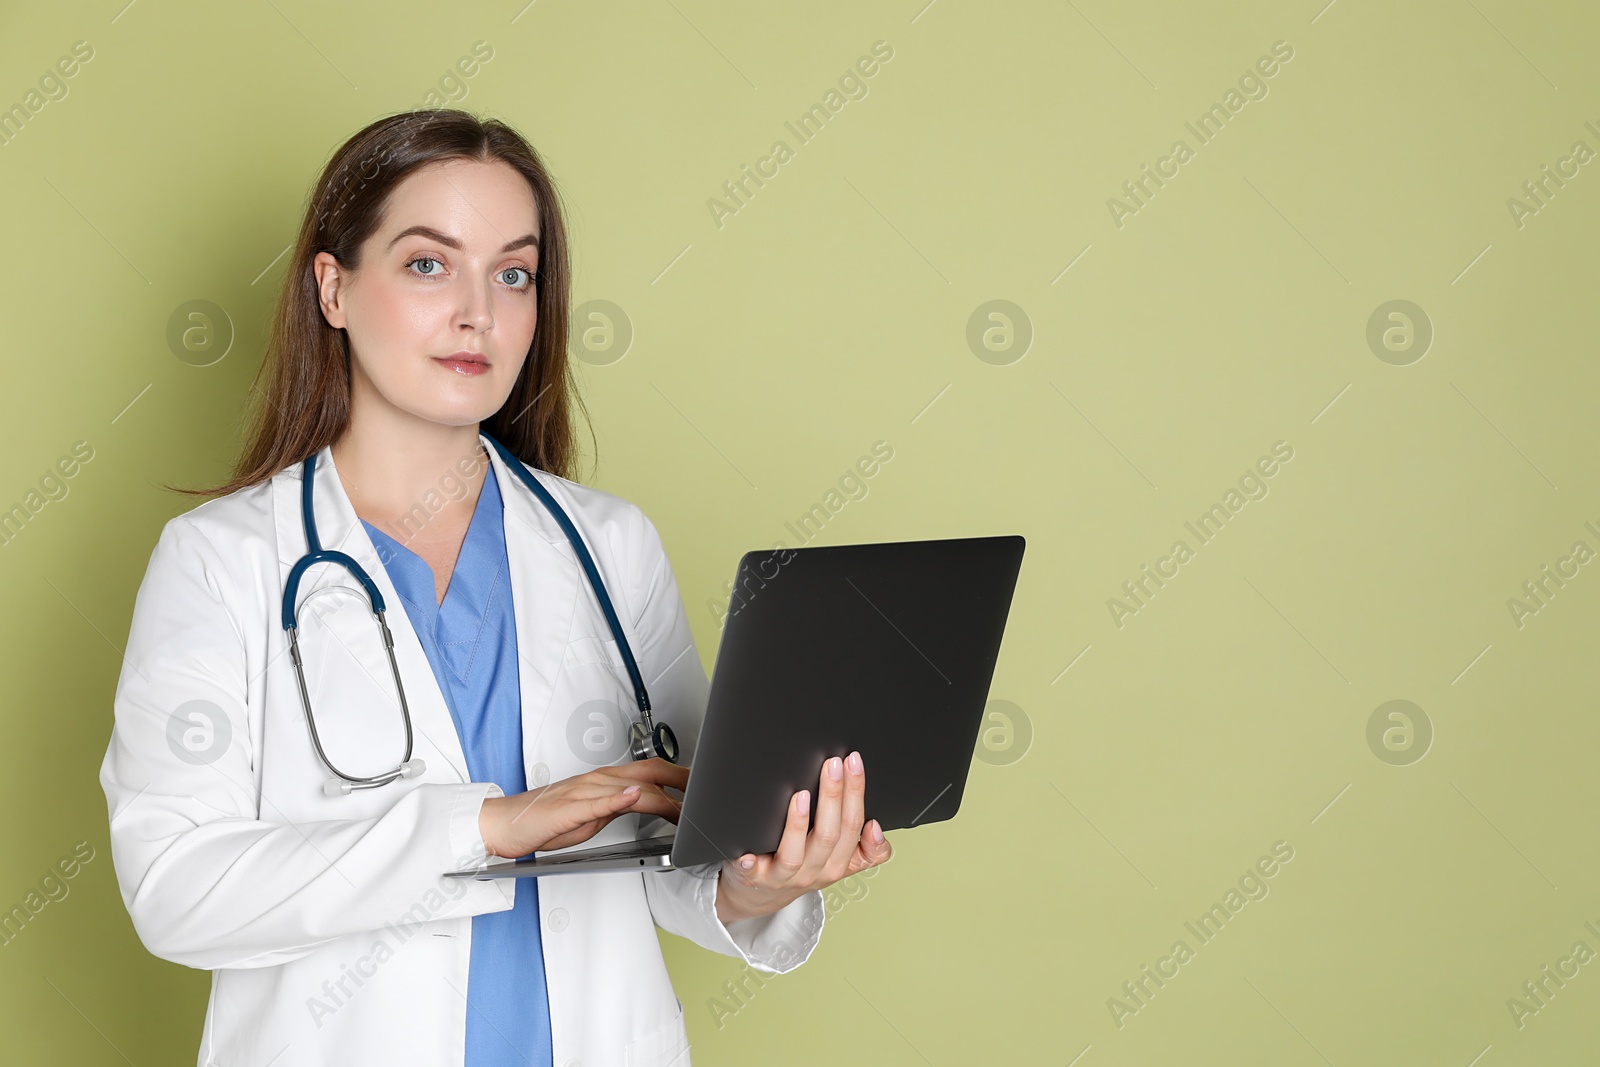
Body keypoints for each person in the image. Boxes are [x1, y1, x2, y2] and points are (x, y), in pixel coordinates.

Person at [98, 108, 891, 1067]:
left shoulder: (609, 546)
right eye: (429, 263)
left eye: (513, 273)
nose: (478, 311)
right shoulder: (221, 561)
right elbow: (176, 890)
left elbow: (668, 851)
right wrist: (485, 827)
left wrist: (757, 888)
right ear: (333, 287)